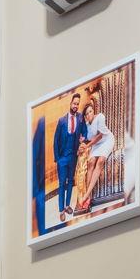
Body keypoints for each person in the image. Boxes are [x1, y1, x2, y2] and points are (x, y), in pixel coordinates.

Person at [52, 91, 87, 219]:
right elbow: (56, 140)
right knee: (62, 183)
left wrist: (84, 137)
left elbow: (84, 131)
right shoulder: (61, 121)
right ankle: (61, 210)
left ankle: (67, 205)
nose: (76, 106)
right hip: (62, 158)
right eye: (74, 103)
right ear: (70, 103)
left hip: (73, 157)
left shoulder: (80, 118)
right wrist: (57, 159)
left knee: (70, 181)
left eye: (78, 104)